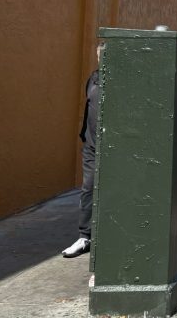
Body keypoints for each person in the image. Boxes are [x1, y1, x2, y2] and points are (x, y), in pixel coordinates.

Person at [62, 41, 103, 258]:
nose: (100, 58)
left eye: (104, 55)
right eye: (99, 54)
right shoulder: (93, 78)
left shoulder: (122, 81)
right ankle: (85, 236)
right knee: (88, 188)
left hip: (112, 148)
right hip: (91, 145)